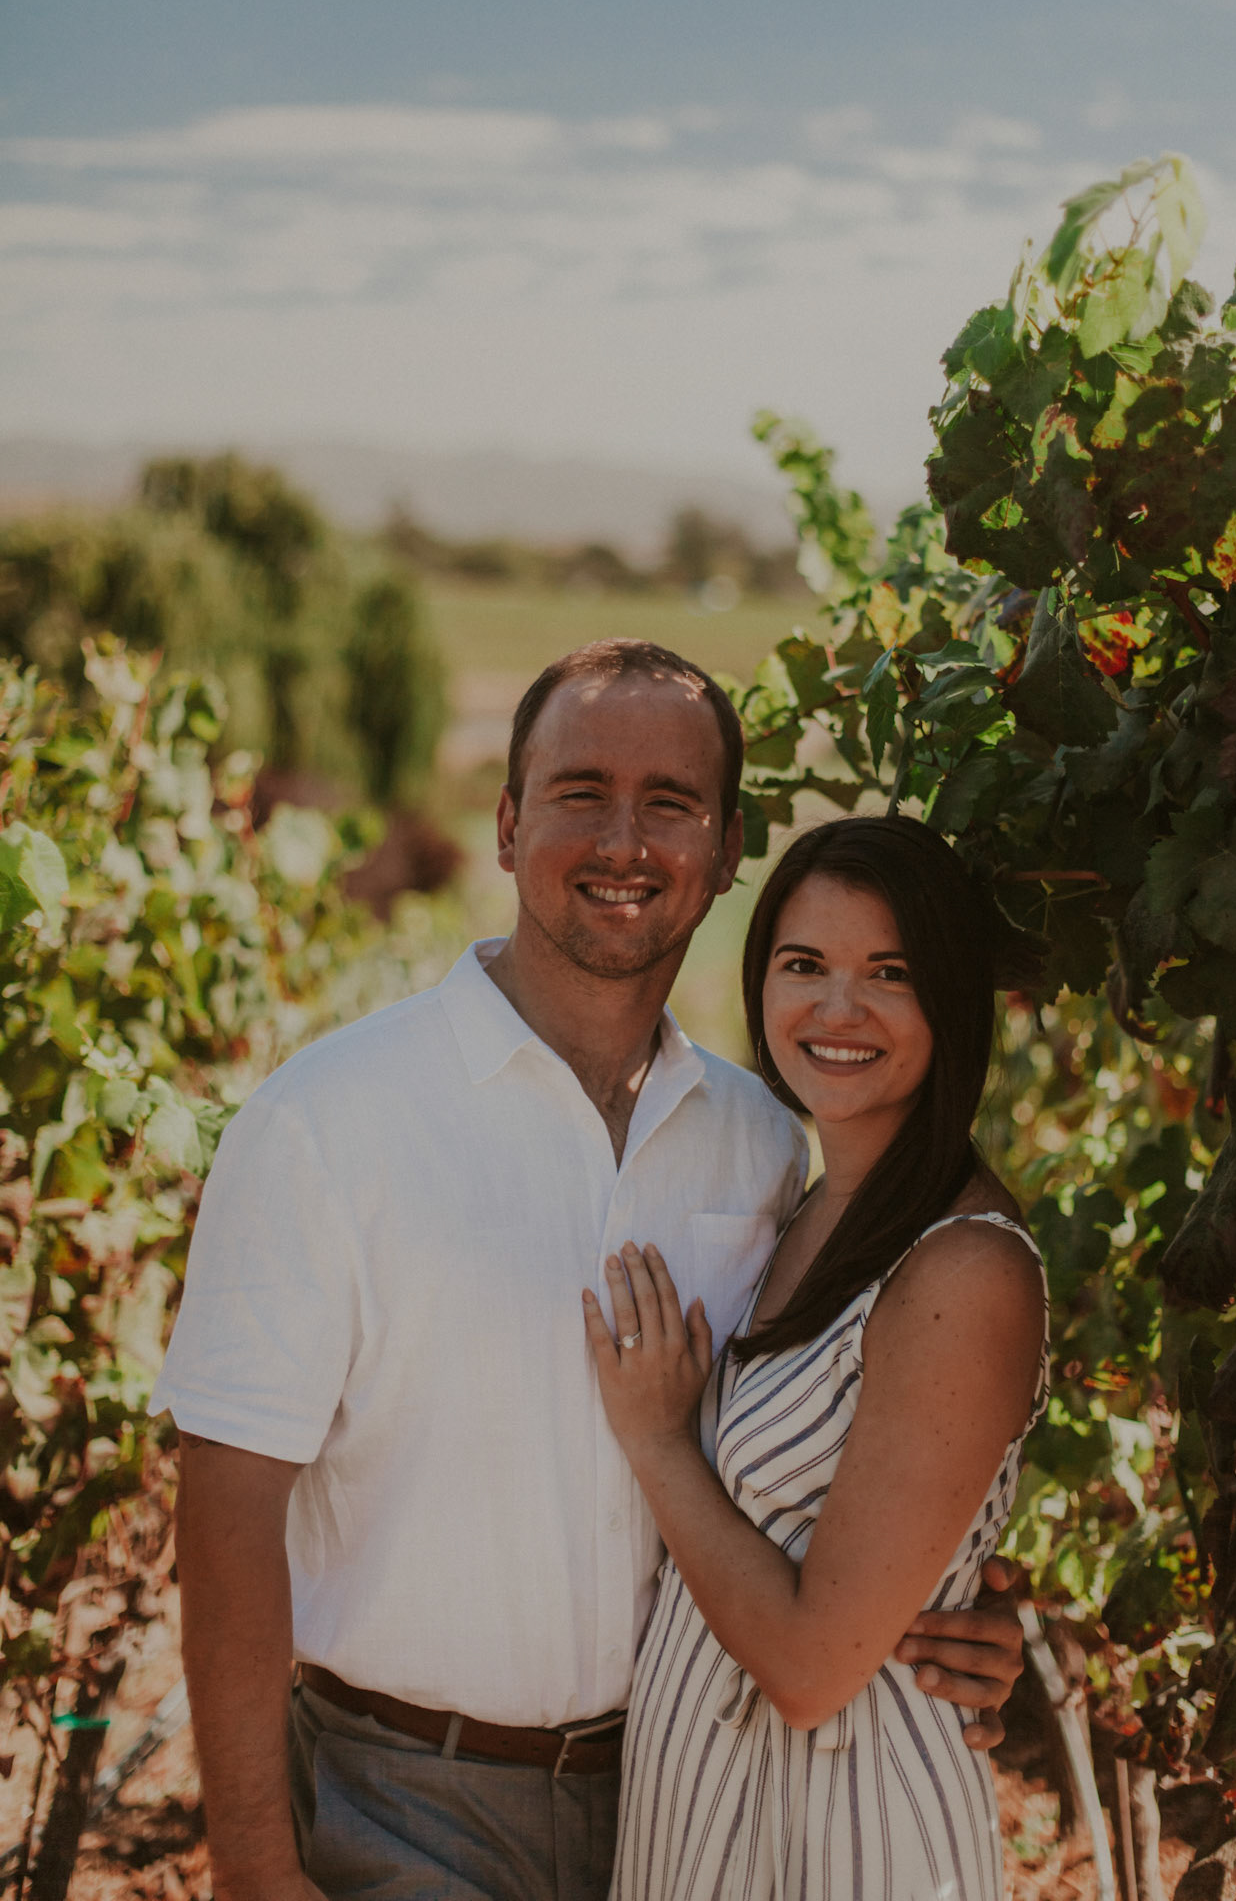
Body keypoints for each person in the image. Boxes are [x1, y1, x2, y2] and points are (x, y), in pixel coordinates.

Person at [153, 642, 1028, 1901]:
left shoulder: (769, 1141)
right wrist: (247, 1855)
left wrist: (971, 1604)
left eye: (671, 803)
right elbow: (226, 1505)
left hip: (695, 1799)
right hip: (403, 1805)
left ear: (727, 850)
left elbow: (869, 1422)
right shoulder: (326, 1122)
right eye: (580, 792)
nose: (626, 839)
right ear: (508, 824)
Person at [584, 815, 1048, 1901]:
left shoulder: (964, 1266)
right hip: (715, 1803)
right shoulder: (811, 1202)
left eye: (889, 972)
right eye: (805, 964)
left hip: (845, 1828)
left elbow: (807, 1670)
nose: (836, 1010)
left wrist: (658, 1438)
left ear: (951, 998)